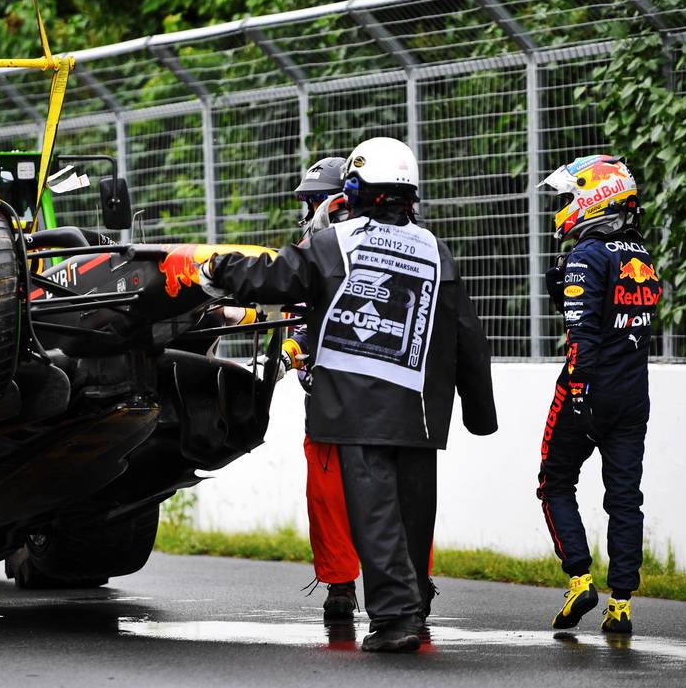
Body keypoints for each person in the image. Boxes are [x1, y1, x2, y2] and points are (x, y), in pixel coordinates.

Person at [201, 137, 497, 653]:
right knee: (412, 512)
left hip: (357, 407)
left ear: (355, 189)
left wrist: (217, 268)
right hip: (420, 412)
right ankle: (412, 605)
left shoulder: (336, 242)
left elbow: (276, 277)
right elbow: (468, 336)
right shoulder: (435, 248)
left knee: (376, 515)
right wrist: (480, 411)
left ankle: (395, 619)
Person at [536, 154, 659, 636]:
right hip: (634, 394)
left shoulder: (586, 256)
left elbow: (582, 337)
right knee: (625, 498)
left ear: (594, 198)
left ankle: (580, 579)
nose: (564, 207)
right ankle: (621, 605)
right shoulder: (641, 254)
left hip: (587, 389)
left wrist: (580, 394)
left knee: (554, 482)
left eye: (569, 197)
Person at [279, 156, 361, 623]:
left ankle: (410, 583)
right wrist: (290, 347)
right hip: (326, 398)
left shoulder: (369, 247)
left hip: (372, 394)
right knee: (326, 495)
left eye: (312, 200)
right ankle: (340, 585)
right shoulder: (310, 246)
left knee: (393, 494)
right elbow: (299, 318)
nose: (307, 209)